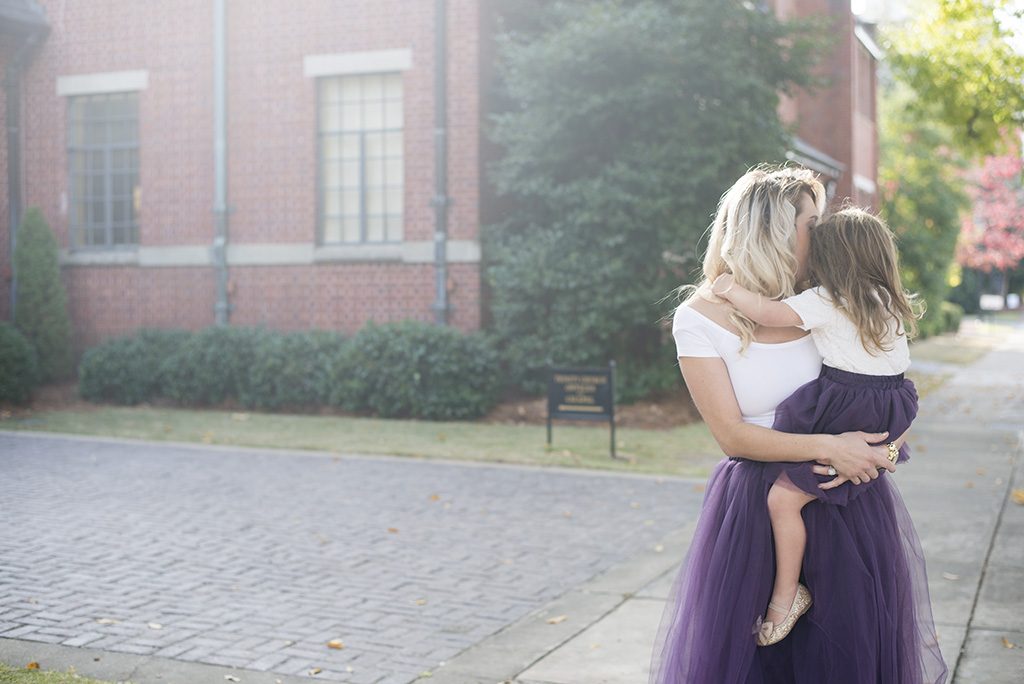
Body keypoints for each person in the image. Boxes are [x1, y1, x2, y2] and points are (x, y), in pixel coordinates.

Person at [648, 166, 947, 684]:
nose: (825, 230)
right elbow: (732, 436)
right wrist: (834, 446)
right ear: (772, 231)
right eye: (813, 220)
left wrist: (886, 451)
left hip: (847, 502)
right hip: (760, 508)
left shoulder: (835, 299)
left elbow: (888, 385)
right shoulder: (698, 318)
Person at [710, 207, 923, 646]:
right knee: (822, 489)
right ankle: (793, 589)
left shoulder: (828, 299)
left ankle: (787, 594)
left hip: (845, 407)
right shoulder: (890, 305)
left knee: (785, 500)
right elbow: (903, 388)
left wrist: (729, 288)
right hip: (890, 408)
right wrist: (883, 454)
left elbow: (769, 315)